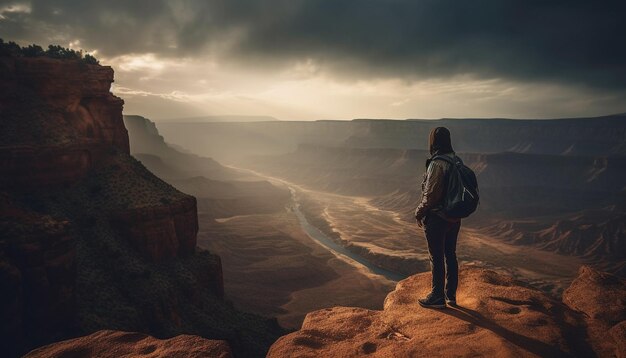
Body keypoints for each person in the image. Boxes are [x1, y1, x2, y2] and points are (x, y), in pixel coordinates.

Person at [414, 127, 461, 308]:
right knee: (451, 254)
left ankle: (437, 297)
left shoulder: (437, 163)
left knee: (436, 256)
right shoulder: (456, 160)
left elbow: (431, 195)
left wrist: (419, 212)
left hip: (437, 218)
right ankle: (451, 296)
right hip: (454, 217)